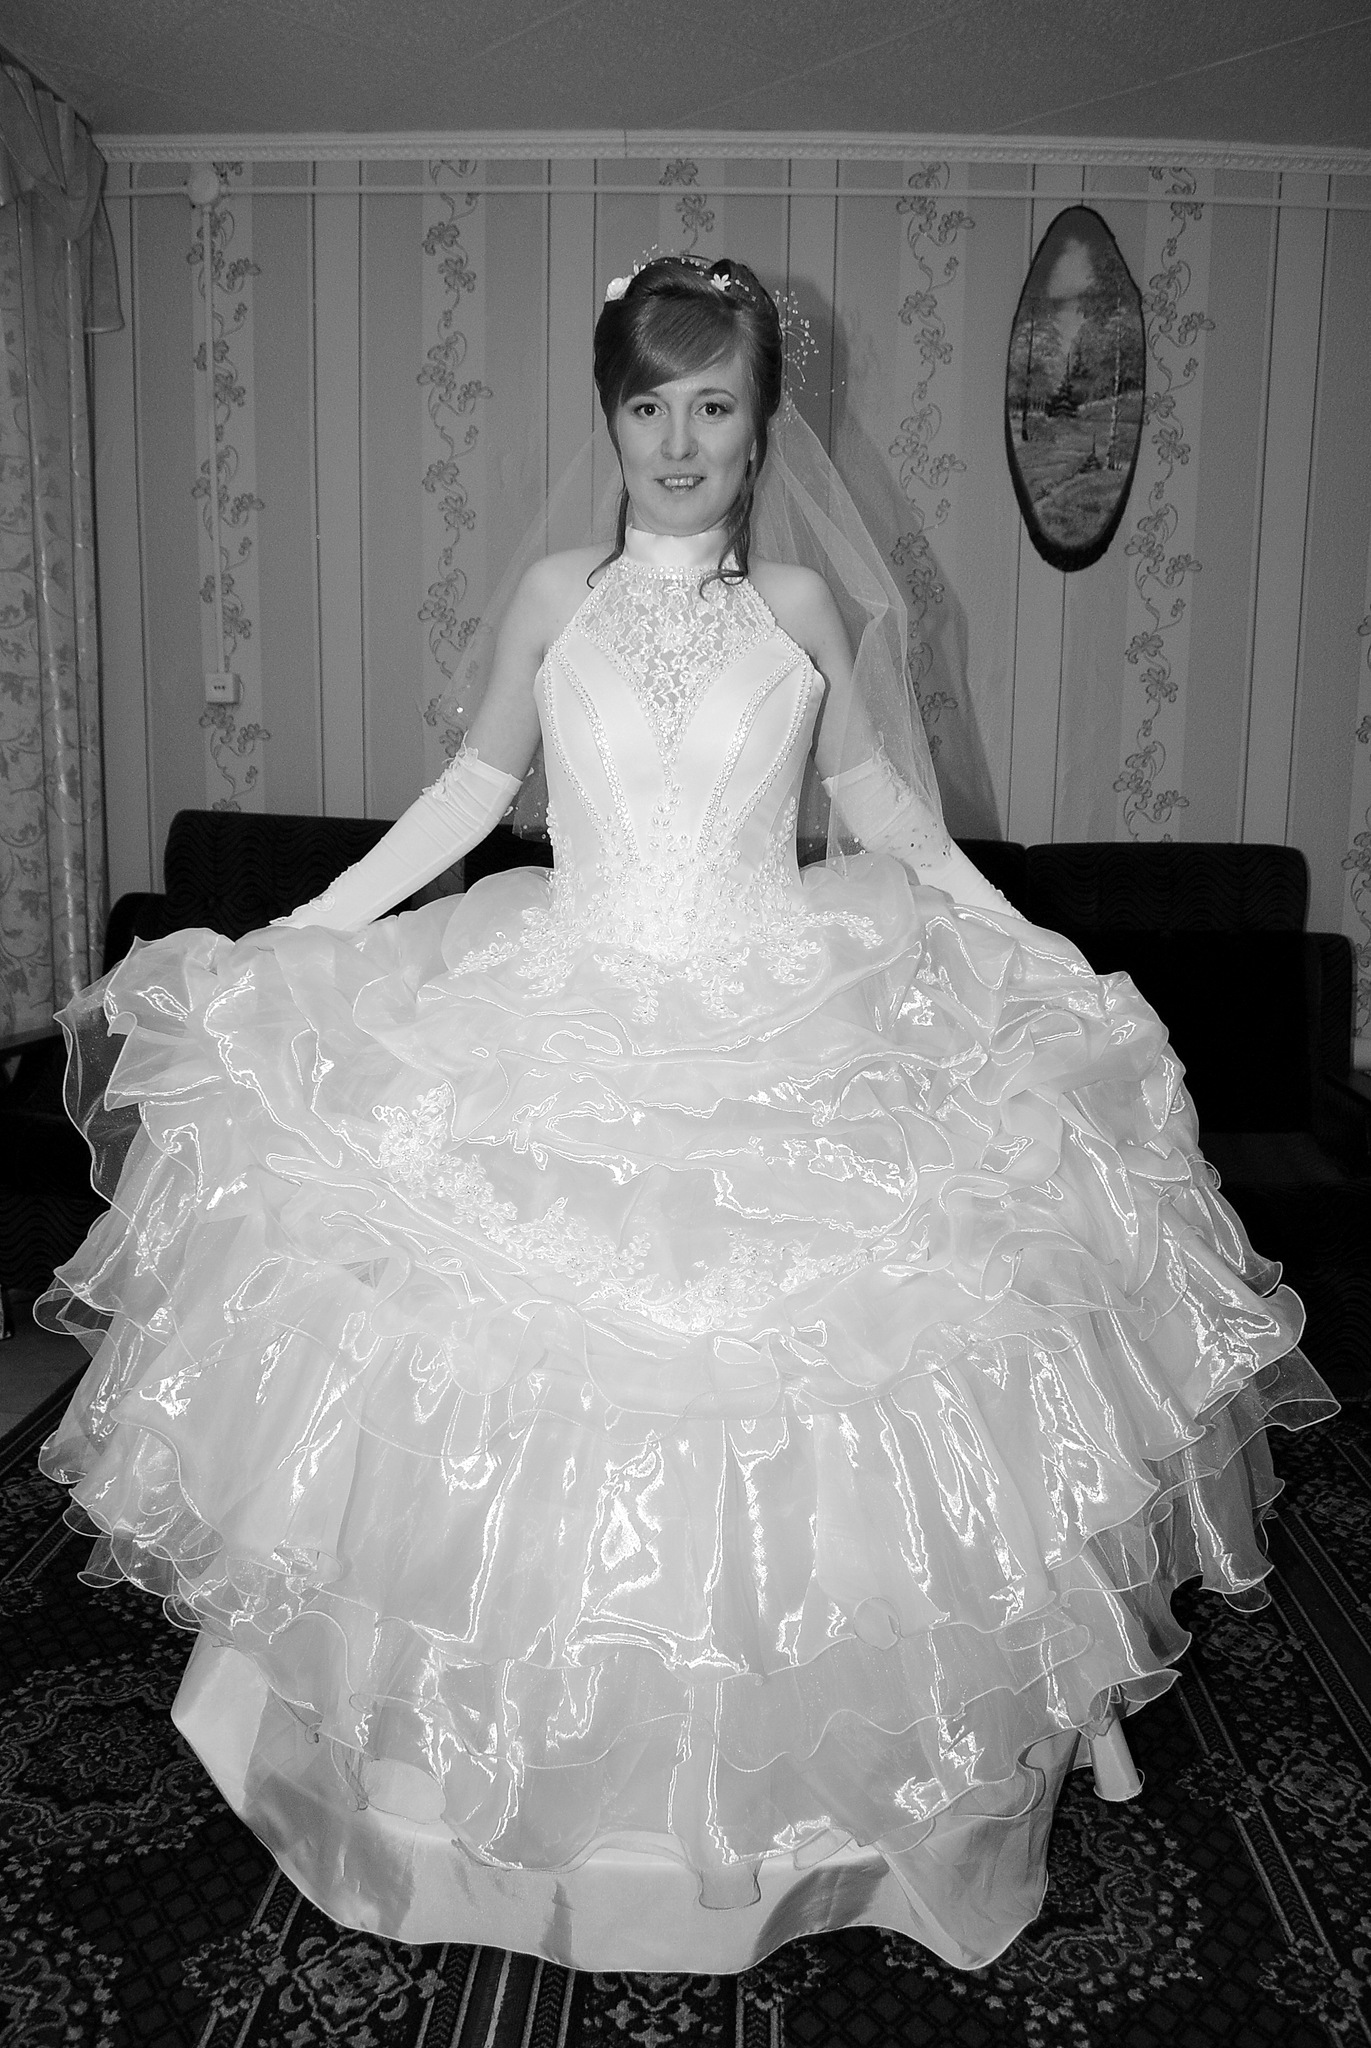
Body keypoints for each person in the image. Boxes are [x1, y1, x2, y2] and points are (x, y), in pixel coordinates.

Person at [39, 255, 1332, 1974]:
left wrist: (1039, 955)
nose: (677, 438)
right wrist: (307, 928)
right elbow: (472, 791)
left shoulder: (802, 605)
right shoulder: (553, 596)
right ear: (610, 418)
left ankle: (819, 1809)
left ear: (762, 423)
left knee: (844, 1365)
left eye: (712, 404)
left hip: (789, 1008)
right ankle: (467, 1808)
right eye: (647, 403)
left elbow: (887, 819)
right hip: (559, 994)